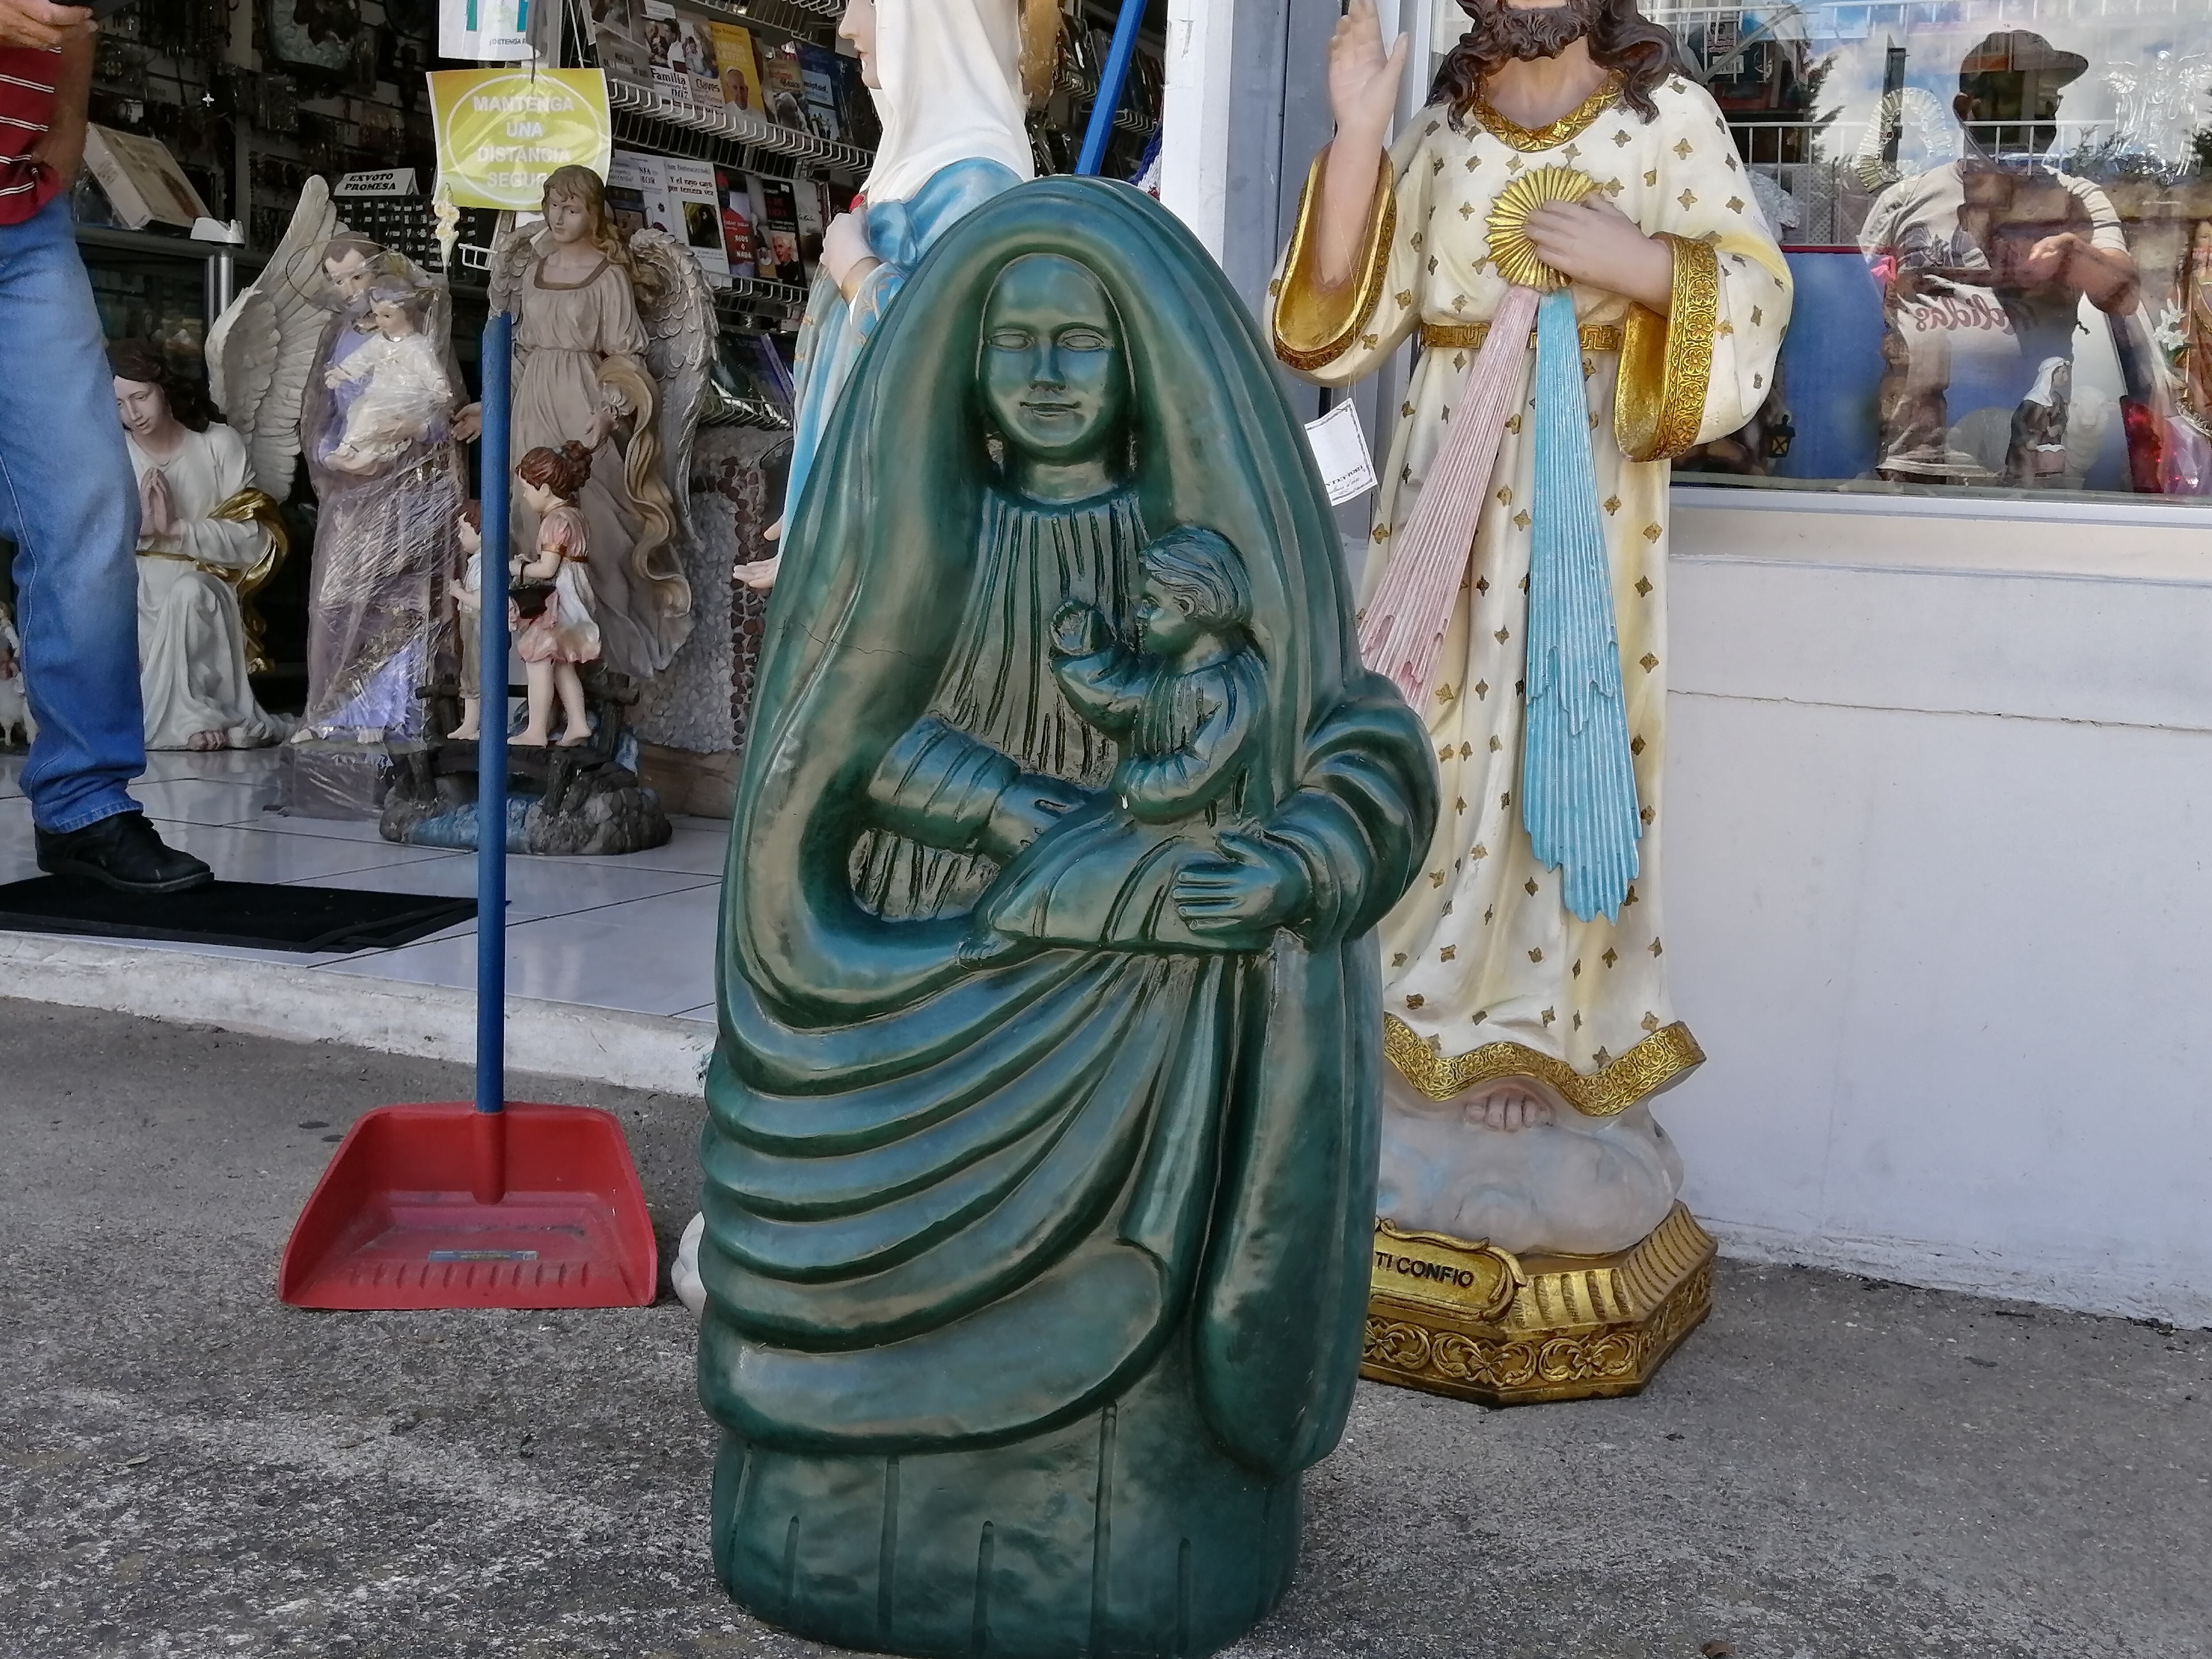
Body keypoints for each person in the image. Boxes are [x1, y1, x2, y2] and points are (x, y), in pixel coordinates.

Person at [1270, 0, 1790, 1255]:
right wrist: (1353, 132)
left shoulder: (1670, 119)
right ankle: (1409, 1018)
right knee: (1424, 741)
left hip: (1591, 499)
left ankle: (1535, 1035)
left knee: (1559, 745)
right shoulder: (1441, 133)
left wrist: (1643, 269)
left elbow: (1755, 300)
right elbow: (1337, 325)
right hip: (1441, 497)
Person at [0, 2, 210, 892]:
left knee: (89, 500)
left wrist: (69, 128)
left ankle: (84, 803)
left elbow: (72, 24)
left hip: (23, 226)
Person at [734, 0, 1034, 592]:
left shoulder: (979, 185)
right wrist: (810, 510)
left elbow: (955, 364)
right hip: (863, 532)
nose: (847, 28)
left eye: (867, 3)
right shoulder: (915, 170)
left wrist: (858, 271)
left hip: (908, 556)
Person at [1859, 31, 2138, 486]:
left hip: (2030, 464)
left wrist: (2071, 256)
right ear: (1967, 110)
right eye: (2017, 98)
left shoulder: (2077, 200)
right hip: (1914, 467)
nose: (2039, 116)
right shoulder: (1905, 201)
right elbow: (1866, 299)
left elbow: (2123, 296)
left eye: (2047, 101)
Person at [111, 340, 288, 753]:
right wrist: (139, 529)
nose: (132, 415)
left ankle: (199, 715)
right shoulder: (114, 452)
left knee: (188, 595)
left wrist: (177, 530)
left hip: (204, 580)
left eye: (141, 397)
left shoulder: (216, 444)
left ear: (165, 390)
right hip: (133, 582)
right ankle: (180, 721)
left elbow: (256, 541)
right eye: (119, 404)